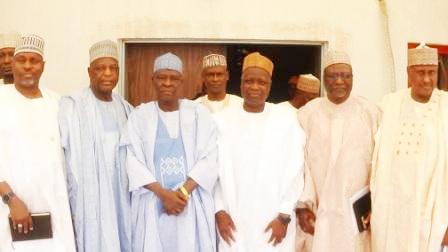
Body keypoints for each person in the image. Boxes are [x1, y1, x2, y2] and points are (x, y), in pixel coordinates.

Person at [124, 52, 219, 252]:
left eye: (173, 78)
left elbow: (210, 158)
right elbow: (132, 161)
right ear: (153, 80)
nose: (167, 83)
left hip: (190, 204)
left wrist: (182, 193)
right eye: (161, 77)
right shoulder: (139, 116)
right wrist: (163, 194)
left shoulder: (199, 114)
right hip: (152, 203)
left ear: (181, 81)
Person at [214, 52, 305, 251]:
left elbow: (296, 171)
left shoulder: (286, 120)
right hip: (233, 222)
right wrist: (219, 211)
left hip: (274, 223)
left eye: (261, 82)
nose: (254, 87)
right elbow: (214, 174)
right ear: (240, 84)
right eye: (249, 81)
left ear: (270, 85)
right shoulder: (221, 121)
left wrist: (284, 215)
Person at [295, 50, 379, 252]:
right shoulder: (307, 113)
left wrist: (375, 204)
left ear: (353, 78)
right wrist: (303, 205)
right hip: (318, 207)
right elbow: (299, 162)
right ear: (324, 79)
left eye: (346, 76)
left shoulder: (370, 112)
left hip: (357, 210)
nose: (340, 81)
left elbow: (380, 162)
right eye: (333, 76)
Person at [0, 34, 76, 252]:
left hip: (55, 206)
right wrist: (10, 198)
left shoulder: (58, 103)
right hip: (11, 206)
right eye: (21, 60)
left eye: (33, 61)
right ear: (12, 64)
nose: (27, 66)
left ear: (42, 66)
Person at [371, 44, 448, 252]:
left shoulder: (446, 107)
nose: (426, 79)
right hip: (392, 209)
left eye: (431, 73)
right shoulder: (390, 104)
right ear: (408, 74)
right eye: (420, 72)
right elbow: (374, 159)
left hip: (433, 210)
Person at [59, 40, 132, 252]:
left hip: (120, 197)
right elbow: (64, 159)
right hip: (88, 199)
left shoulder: (126, 109)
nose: (107, 73)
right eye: (101, 68)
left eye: (112, 68)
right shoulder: (72, 106)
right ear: (90, 71)